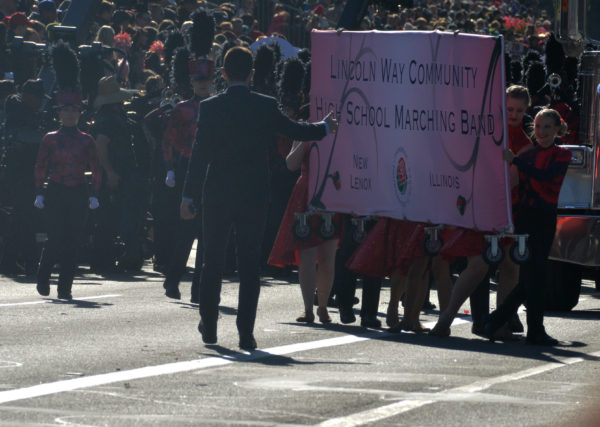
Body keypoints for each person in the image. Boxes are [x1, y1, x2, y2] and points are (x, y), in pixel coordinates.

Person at [181, 46, 337, 350]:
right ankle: (245, 332)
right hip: (254, 193)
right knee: (249, 264)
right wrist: (325, 128)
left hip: (218, 192)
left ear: (223, 74)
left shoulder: (211, 107)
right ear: (252, 75)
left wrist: (188, 194)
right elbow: (295, 130)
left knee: (212, 261)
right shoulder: (265, 105)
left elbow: (199, 156)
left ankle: (210, 325)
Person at [485, 108, 571, 346]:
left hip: (545, 218)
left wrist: (516, 161)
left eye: (547, 127)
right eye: (538, 126)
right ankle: (528, 328)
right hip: (525, 217)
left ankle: (497, 321)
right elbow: (513, 183)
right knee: (534, 275)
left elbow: (545, 176)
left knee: (534, 276)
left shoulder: (561, 155)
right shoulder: (527, 153)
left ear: (556, 130)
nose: (542, 132)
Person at [34, 88, 101, 299]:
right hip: (55, 190)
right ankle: (43, 276)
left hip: (78, 191)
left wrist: (94, 193)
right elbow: (40, 166)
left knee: (72, 241)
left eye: (74, 111)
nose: (70, 114)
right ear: (59, 114)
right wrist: (39, 191)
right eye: (66, 111)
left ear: (79, 114)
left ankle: (65, 288)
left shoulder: (87, 139)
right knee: (54, 238)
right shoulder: (50, 138)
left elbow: (96, 168)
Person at [268, 139, 342, 324]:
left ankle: (323, 307)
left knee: (327, 257)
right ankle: (308, 309)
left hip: (333, 190)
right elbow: (291, 164)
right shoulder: (305, 129)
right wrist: (305, 137)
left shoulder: (342, 130)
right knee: (306, 256)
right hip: (306, 193)